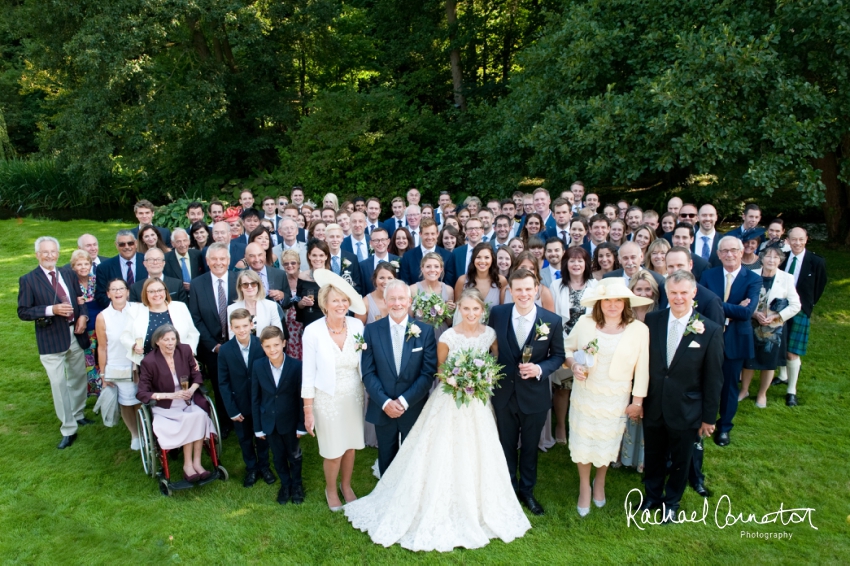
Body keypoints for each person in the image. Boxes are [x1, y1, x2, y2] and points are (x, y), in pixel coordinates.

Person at [345, 289, 531, 552]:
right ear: (458, 310)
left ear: (482, 311)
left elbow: (495, 362)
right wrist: (459, 380)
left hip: (477, 402)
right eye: (465, 309)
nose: (471, 313)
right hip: (449, 400)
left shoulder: (490, 335)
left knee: (479, 449)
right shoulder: (447, 336)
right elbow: (440, 370)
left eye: (475, 309)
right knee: (439, 448)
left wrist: (480, 379)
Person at [563, 277, 651, 516]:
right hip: (586, 392)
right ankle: (584, 486)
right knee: (583, 441)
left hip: (616, 395)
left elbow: (643, 368)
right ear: (599, 303)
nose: (612, 305)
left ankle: (599, 482)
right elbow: (567, 348)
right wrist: (573, 367)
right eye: (607, 301)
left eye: (618, 301)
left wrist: (637, 401)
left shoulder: (639, 330)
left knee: (606, 441)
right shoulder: (585, 322)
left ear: (626, 303)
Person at [642, 271, 724, 521]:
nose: (678, 298)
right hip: (654, 404)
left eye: (683, 293)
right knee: (653, 456)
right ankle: (652, 497)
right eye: (673, 293)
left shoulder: (709, 330)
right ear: (667, 293)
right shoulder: (652, 320)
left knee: (681, 459)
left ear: (693, 293)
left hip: (687, 408)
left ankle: (672, 502)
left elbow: (714, 378)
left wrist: (709, 418)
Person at [489, 269, 566, 516]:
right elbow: (491, 347)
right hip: (504, 395)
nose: (523, 294)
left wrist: (540, 368)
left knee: (531, 447)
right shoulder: (498, 314)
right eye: (518, 289)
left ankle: (527, 491)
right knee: (506, 445)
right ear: (510, 291)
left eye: (528, 289)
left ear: (536, 290)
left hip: (535, 396)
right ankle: (509, 489)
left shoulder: (551, 320)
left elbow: (558, 356)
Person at [301, 271, 367, 511]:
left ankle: (346, 485)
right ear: (325, 304)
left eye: (344, 300)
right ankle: (331, 488)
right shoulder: (313, 331)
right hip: (326, 398)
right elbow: (307, 374)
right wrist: (308, 411)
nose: (341, 305)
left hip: (353, 395)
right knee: (333, 450)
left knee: (350, 446)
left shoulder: (358, 325)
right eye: (336, 300)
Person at [18, 237, 91, 449]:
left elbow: (80, 300)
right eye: (45, 252)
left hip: (75, 335)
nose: (50, 255)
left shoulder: (68, 273)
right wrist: (52, 309)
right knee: (59, 384)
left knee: (78, 378)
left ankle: (78, 414)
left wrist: (83, 317)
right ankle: (68, 428)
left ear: (58, 253)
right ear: (37, 255)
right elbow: (23, 312)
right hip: (50, 339)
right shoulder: (29, 280)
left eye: (53, 251)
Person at [360, 278, 437, 479]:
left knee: (413, 457)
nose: (397, 303)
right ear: (385, 302)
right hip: (382, 407)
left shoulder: (425, 331)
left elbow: (427, 373)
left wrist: (403, 402)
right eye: (392, 299)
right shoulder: (371, 331)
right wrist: (386, 402)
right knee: (387, 456)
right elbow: (368, 372)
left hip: (413, 406)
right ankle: (386, 493)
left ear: (409, 301)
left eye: (401, 298)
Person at [700, 236, 761, 446]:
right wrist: (732, 307)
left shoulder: (753, 279)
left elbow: (747, 313)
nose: (729, 254)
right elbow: (699, 305)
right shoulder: (708, 275)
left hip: (735, 340)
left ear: (741, 251)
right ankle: (700, 420)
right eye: (724, 251)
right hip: (707, 338)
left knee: (729, 387)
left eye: (733, 250)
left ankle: (724, 427)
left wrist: (717, 305)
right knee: (702, 381)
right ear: (718, 254)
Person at [137, 325, 214, 482]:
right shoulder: (149, 361)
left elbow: (197, 375)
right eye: (166, 339)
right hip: (165, 407)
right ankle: (187, 466)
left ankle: (197, 464)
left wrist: (191, 391)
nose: (170, 343)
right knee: (190, 419)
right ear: (157, 341)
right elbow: (142, 393)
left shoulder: (184, 351)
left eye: (173, 339)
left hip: (187, 401)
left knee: (199, 415)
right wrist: (171, 395)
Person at [218, 309, 276, 488]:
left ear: (252, 325)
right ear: (231, 328)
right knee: (244, 437)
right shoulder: (226, 350)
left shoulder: (261, 346)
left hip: (260, 402)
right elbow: (223, 382)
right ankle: (251, 467)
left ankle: (264, 466)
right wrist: (232, 410)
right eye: (237, 327)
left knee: (263, 436)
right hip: (239, 403)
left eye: (245, 325)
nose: (242, 330)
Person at [739, 246, 801, 408]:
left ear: (780, 260)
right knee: (748, 360)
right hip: (752, 324)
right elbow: (743, 299)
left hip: (774, 328)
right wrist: (753, 313)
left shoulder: (787, 278)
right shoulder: (751, 275)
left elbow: (796, 305)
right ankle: (744, 390)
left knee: (769, 361)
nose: (771, 260)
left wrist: (777, 316)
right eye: (768, 256)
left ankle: (762, 394)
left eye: (775, 257)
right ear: (762, 258)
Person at [189, 242, 238, 438]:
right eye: (214, 259)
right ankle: (224, 422)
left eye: (222, 259)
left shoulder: (239, 280)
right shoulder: (197, 284)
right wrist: (213, 345)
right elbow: (195, 318)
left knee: (241, 382)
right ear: (208, 261)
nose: (218, 263)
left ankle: (243, 418)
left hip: (238, 343)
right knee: (220, 385)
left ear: (229, 260)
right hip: (212, 346)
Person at [550, 246, 598, 445]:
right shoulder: (556, 286)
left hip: (587, 343)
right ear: (566, 263)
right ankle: (560, 424)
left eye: (580, 260)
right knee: (562, 386)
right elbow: (553, 316)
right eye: (572, 260)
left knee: (586, 386)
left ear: (586, 263)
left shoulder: (596, 286)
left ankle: (582, 428)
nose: (576, 264)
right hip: (563, 341)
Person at [253, 326, 306, 505]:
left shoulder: (296, 366)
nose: (272, 350)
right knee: (277, 456)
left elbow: (301, 398)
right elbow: (256, 398)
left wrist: (301, 424)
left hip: (290, 421)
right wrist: (258, 428)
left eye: (276, 345)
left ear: (284, 343)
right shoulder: (258, 366)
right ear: (262, 346)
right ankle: (286, 484)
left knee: (294, 455)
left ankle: (297, 484)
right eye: (267, 346)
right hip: (269, 422)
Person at [776, 227, 827, 406]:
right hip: (780, 307)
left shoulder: (816, 262)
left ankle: (792, 391)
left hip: (801, 309)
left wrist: (807, 306)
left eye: (801, 239)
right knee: (779, 343)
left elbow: (819, 287)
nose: (797, 243)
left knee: (792, 352)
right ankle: (782, 376)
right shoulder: (781, 259)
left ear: (806, 239)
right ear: (788, 240)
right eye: (793, 239)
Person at [616, 271, 660, 473]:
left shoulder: (659, 314)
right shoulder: (624, 314)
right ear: (631, 291)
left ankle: (641, 459)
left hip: (652, 369)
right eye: (638, 289)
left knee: (646, 412)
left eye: (647, 289)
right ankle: (620, 455)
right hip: (626, 369)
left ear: (654, 291)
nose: (643, 292)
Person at [95, 278, 139, 449]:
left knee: (141, 400)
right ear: (108, 294)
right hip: (117, 365)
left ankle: (146, 431)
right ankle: (135, 435)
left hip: (138, 364)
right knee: (127, 402)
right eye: (114, 289)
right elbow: (102, 347)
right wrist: (103, 374)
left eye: (121, 288)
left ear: (127, 292)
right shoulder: (103, 317)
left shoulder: (137, 310)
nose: (118, 292)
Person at [121, 278, 200, 362]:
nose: (156, 294)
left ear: (165, 291)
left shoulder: (180, 307)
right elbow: (125, 336)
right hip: (147, 365)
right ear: (145, 293)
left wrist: (189, 354)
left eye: (160, 290)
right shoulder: (135, 310)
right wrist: (134, 346)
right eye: (151, 291)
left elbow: (193, 334)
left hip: (179, 362)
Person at [69, 250, 102, 396]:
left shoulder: (96, 279)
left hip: (99, 324)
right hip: (82, 325)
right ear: (73, 266)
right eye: (79, 264)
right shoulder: (70, 283)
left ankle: (101, 387)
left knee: (100, 356)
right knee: (87, 358)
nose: (83, 267)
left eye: (86, 264)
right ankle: (89, 389)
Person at [94, 231, 148, 308]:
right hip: (117, 311)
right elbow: (101, 295)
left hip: (145, 308)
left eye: (130, 243)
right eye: (122, 244)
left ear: (136, 243)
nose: (126, 247)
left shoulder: (148, 261)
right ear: (116, 245)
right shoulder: (104, 267)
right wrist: (120, 307)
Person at [410, 252, 456, 343]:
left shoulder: (448, 290)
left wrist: (449, 310)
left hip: (442, 335)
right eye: (428, 266)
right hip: (420, 335)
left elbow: (449, 322)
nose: (432, 270)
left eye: (436, 266)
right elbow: (410, 318)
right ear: (422, 268)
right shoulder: (412, 289)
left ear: (441, 269)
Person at [226, 269, 283, 339]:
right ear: (240, 287)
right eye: (245, 284)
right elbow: (232, 337)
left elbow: (278, 333)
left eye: (253, 284)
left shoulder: (271, 306)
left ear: (258, 285)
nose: (250, 287)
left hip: (266, 348)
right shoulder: (232, 309)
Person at [454, 242, 506, 311]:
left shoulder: (501, 281)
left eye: (486, 257)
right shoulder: (462, 280)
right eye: (478, 257)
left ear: (492, 259)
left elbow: (504, 310)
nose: (482, 261)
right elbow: (457, 310)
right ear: (473, 259)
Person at [296, 239, 330, 328]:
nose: (318, 259)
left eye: (321, 255)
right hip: (308, 322)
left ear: (326, 257)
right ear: (309, 256)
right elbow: (297, 303)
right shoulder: (302, 276)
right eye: (314, 255)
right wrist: (302, 303)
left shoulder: (332, 278)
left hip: (327, 322)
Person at [278, 249, 304, 360]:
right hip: (288, 325)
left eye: (293, 263)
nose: (290, 266)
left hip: (303, 322)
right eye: (286, 264)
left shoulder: (306, 277)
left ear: (298, 264)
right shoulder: (281, 280)